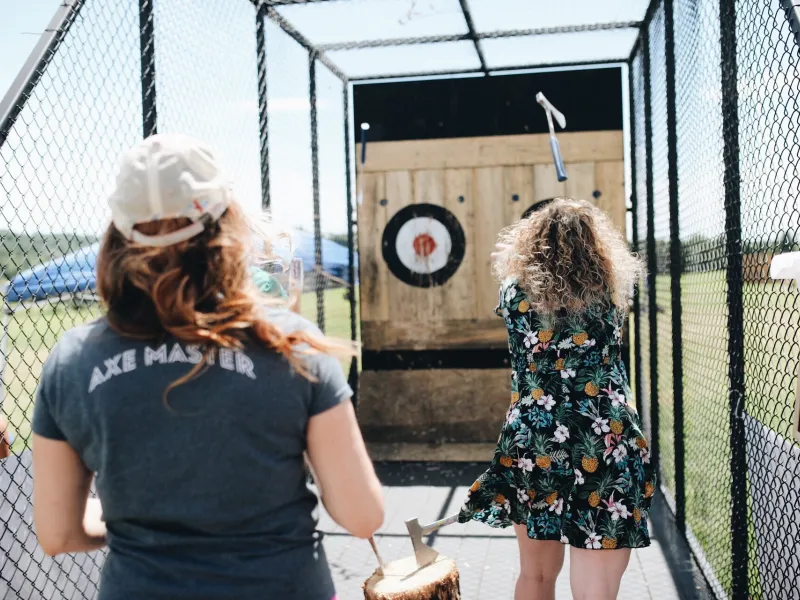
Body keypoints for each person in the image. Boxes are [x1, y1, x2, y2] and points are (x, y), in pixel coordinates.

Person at [31, 133, 383, 600]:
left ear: (117, 233)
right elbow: (362, 516)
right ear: (227, 221)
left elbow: (58, 534)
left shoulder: (71, 360)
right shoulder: (292, 345)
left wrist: (136, 519)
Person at [459, 198, 656, 600]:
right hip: (603, 436)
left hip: (535, 437)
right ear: (597, 248)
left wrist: (515, 258)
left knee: (535, 575)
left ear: (530, 244)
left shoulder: (512, 290)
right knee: (595, 587)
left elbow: (522, 278)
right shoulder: (611, 289)